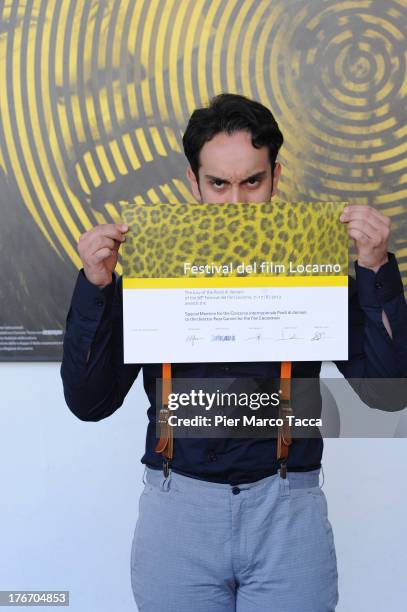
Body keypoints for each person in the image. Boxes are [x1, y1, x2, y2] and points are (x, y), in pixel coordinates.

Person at [60, 94, 407, 612]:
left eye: (252, 182)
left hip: (288, 507)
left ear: (276, 176)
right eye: (218, 184)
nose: (236, 204)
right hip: (177, 509)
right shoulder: (154, 264)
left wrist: (375, 268)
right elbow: (90, 402)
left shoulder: (312, 257)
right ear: (192, 182)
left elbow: (386, 392)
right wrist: (96, 287)